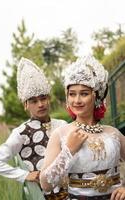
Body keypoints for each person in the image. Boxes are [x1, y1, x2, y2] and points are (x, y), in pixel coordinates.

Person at [40, 55, 125, 200]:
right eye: (72, 94)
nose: (77, 100)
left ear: (96, 96)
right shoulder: (61, 134)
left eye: (84, 94)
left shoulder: (113, 133)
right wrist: (69, 150)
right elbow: (45, 184)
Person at [0, 57, 67, 198]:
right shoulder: (21, 132)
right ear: (26, 105)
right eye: (34, 101)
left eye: (43, 98)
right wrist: (25, 175)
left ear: (48, 99)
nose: (40, 104)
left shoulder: (62, 125)